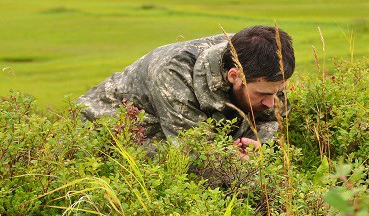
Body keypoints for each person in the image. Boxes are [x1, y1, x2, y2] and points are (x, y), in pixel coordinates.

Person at [77, 25, 295, 153]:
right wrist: (234, 159)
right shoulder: (172, 73)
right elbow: (192, 155)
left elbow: (273, 119)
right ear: (233, 75)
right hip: (99, 133)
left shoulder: (262, 66)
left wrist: (260, 146)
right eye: (264, 95)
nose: (271, 102)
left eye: (277, 92)